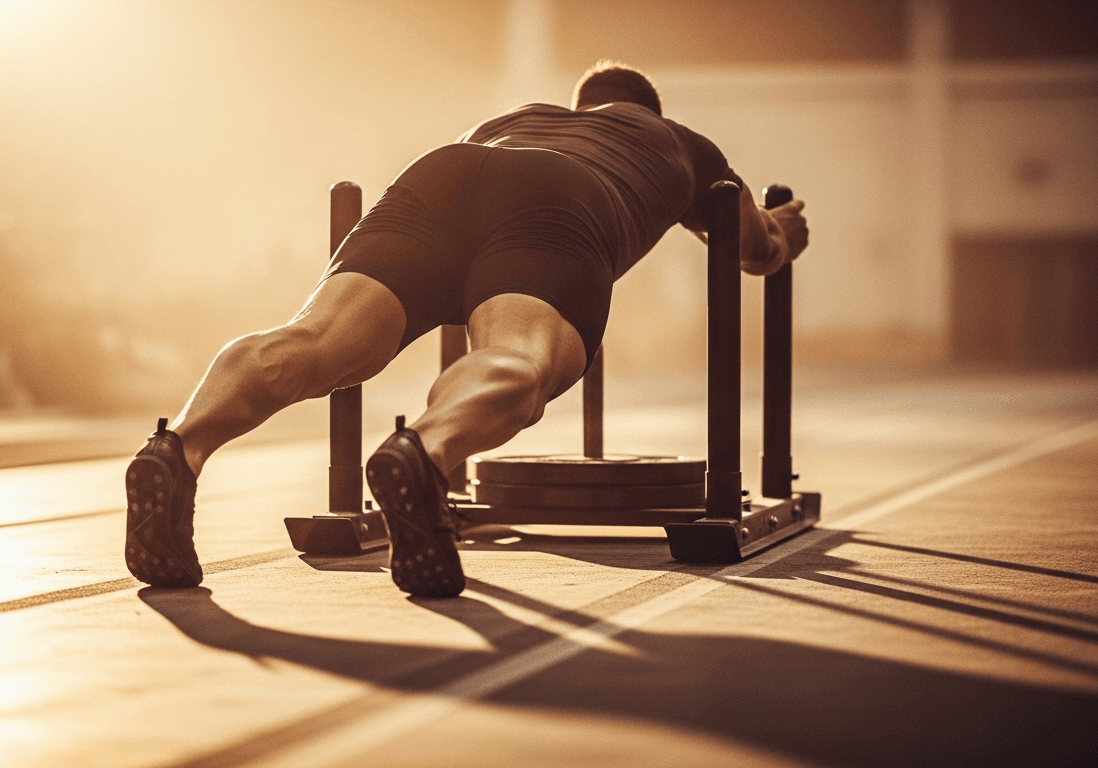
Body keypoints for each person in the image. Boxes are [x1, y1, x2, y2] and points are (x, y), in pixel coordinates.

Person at [124, 61, 809, 598]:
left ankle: (177, 447)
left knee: (315, 343)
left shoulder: (515, 117)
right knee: (521, 358)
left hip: (442, 174)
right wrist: (784, 233)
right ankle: (423, 451)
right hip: (560, 197)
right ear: (648, 111)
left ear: (580, 107)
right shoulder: (677, 142)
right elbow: (752, 249)